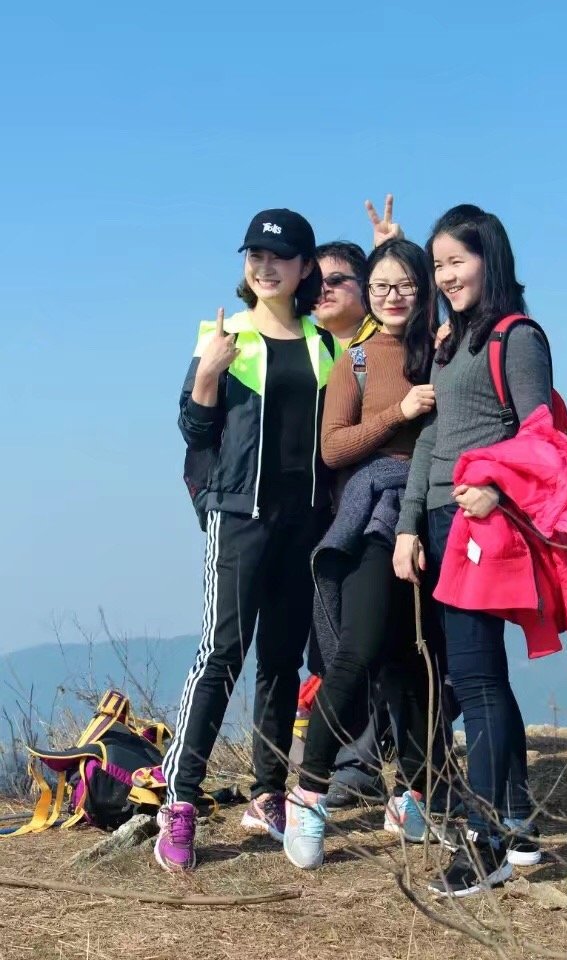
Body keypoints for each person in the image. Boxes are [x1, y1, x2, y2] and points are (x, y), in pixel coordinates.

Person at [155, 209, 341, 873]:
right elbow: (193, 429)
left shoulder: (323, 342)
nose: (264, 267)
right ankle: (179, 801)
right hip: (239, 516)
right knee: (222, 652)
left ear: (304, 266)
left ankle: (267, 794)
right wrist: (209, 374)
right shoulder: (223, 334)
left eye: (279, 257)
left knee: (281, 660)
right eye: (255, 256)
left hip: (303, 521)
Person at [393, 204, 551, 896]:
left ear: (490, 258)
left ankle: (484, 843)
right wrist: (407, 524)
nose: (446, 276)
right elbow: (433, 436)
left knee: (476, 678)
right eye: (439, 266)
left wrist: (499, 491)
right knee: (481, 674)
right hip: (437, 520)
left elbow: (539, 435)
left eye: (457, 261)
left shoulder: (518, 337)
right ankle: (516, 821)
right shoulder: (452, 341)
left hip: (481, 522)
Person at [284, 238, 450, 870]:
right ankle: (308, 796)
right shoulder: (353, 361)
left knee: (414, 663)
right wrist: (398, 414)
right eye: (381, 286)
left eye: (405, 284)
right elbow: (333, 449)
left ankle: (414, 794)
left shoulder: (441, 349)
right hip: (373, 520)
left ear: (423, 289)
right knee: (357, 651)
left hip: (435, 517)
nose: (392, 296)